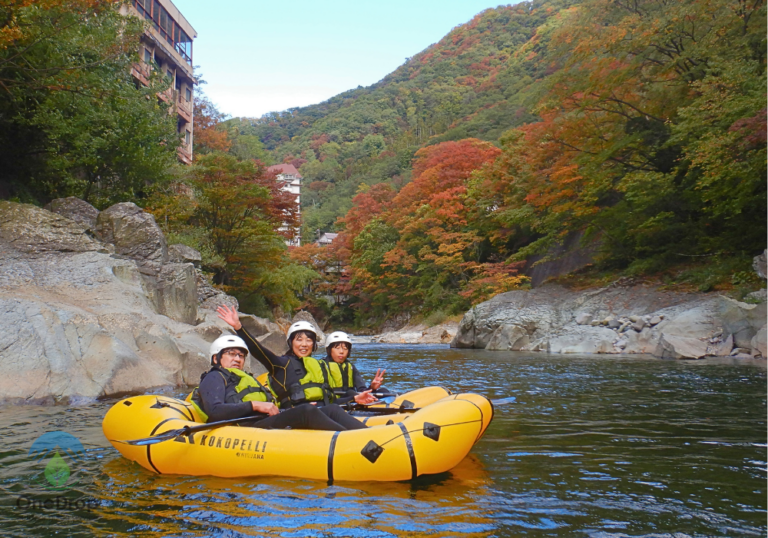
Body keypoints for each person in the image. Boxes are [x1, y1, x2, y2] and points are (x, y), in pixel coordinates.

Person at [216, 305, 375, 422]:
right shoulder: (281, 364)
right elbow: (259, 351)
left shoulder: (319, 367)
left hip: (322, 413)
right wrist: (239, 327)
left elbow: (331, 400)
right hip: (296, 418)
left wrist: (354, 399)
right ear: (291, 342)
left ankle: (368, 440)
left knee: (332, 408)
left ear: (314, 344)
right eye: (299, 339)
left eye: (309, 340)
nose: (304, 344)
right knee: (312, 411)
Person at [187, 334, 366, 431]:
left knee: (332, 409)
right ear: (216, 358)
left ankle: (366, 434)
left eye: (240, 355)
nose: (237, 359)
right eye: (231, 354)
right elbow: (215, 411)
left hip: (264, 420)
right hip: (246, 427)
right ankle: (352, 441)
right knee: (306, 411)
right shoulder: (214, 377)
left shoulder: (245, 378)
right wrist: (255, 405)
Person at [324, 331, 386, 399]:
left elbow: (362, 390)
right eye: (337, 348)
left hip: (352, 399)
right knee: (351, 393)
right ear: (329, 350)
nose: (341, 352)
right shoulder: (321, 365)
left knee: (384, 391)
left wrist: (372, 387)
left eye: (345, 348)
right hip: (334, 401)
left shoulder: (350, 367)